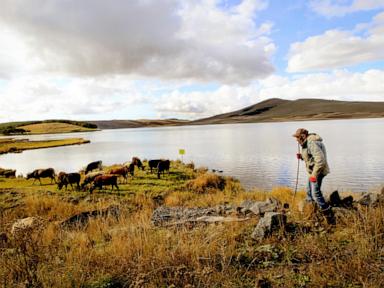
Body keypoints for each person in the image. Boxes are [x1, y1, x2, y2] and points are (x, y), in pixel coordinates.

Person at [293, 128, 335, 225]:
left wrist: (314, 175)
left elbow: (320, 160)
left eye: (297, 137)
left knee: (316, 194)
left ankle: (330, 217)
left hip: (318, 172)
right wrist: (302, 157)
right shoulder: (307, 143)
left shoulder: (312, 143)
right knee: (309, 192)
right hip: (313, 172)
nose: (296, 140)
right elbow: (311, 157)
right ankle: (311, 212)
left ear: (303, 136)